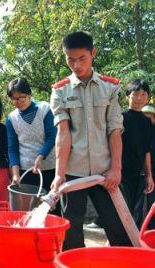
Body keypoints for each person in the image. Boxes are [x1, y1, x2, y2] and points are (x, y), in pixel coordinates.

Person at [50, 30, 131, 249]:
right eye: (70, 59)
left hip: (105, 173)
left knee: (118, 227)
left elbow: (115, 130)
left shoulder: (110, 87)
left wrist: (116, 168)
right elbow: (63, 133)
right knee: (71, 231)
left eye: (82, 58)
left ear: (93, 53)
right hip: (73, 173)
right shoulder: (60, 91)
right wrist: (59, 175)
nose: (76, 65)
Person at [6, 77, 57, 193]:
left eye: (22, 97)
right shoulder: (12, 119)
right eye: (14, 99)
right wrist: (15, 174)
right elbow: (12, 149)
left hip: (49, 167)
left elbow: (52, 137)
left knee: (52, 205)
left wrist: (41, 156)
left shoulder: (44, 109)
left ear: (29, 94)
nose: (18, 101)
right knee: (29, 207)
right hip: (26, 170)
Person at [121, 80, 154, 214]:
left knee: (131, 209)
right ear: (127, 96)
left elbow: (147, 150)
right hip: (119, 172)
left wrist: (148, 175)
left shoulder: (147, 122)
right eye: (135, 94)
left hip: (136, 173)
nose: (139, 98)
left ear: (148, 97)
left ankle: (128, 235)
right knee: (120, 210)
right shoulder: (120, 118)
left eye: (143, 94)